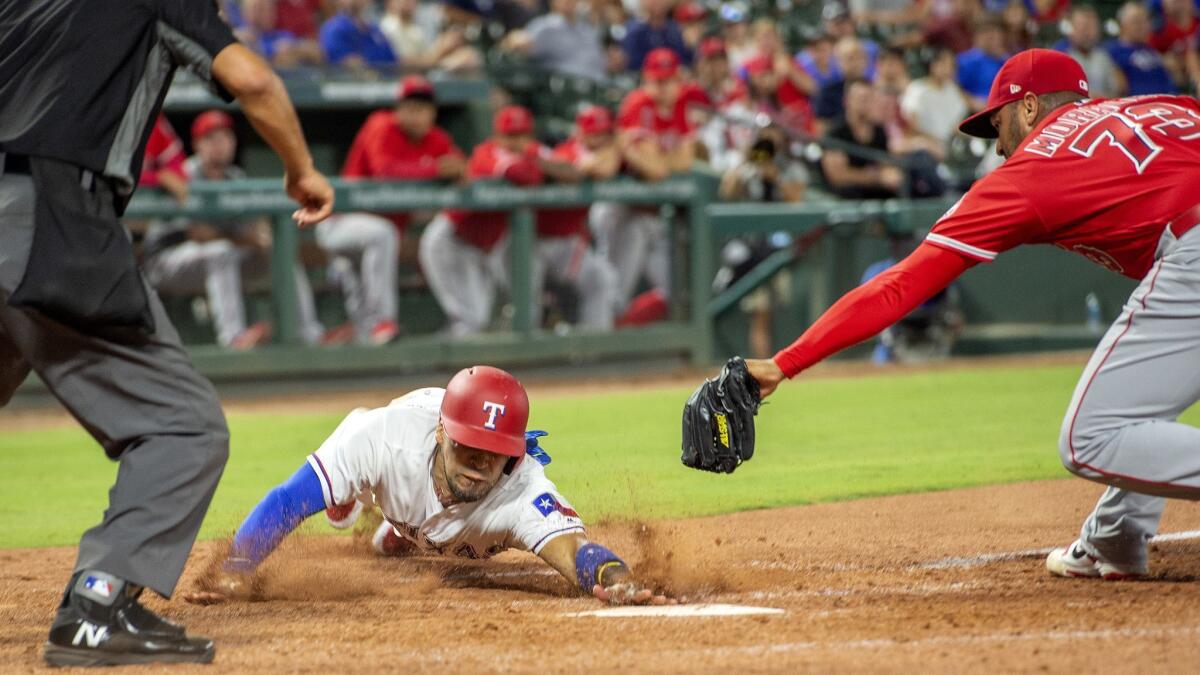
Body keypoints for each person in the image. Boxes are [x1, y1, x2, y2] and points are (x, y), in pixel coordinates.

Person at [738, 48, 1200, 584]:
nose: (1000, 147)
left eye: (999, 125)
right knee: (1135, 401)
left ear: (1028, 109)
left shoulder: (1032, 170)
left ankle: (1111, 542)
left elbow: (900, 285)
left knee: (1088, 439)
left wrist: (784, 362)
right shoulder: (1163, 104)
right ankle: (1113, 541)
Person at [0, 0, 333, 666]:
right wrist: (302, 169)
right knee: (185, 427)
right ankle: (98, 605)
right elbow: (255, 80)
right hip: (46, 216)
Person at [181, 366, 672, 606]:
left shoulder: (522, 489)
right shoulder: (381, 439)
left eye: (493, 452)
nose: (480, 464)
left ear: (514, 451)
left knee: (445, 540)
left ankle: (398, 535)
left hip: (443, 520)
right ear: (443, 434)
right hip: (389, 469)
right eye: (468, 448)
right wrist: (235, 568)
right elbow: (289, 499)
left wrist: (614, 580)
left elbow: (574, 550)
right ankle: (355, 501)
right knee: (344, 485)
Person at [143, 110, 327, 349]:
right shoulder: (185, 174)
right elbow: (197, 234)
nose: (221, 144)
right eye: (212, 138)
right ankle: (232, 338)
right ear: (197, 144)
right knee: (221, 251)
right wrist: (244, 238)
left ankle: (309, 332)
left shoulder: (236, 178)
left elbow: (254, 228)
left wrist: (261, 240)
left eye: (226, 137)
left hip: (218, 260)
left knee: (279, 254)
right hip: (166, 262)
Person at [321, 75, 463, 346]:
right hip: (341, 222)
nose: (416, 115)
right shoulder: (381, 124)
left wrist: (458, 169)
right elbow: (385, 171)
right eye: (410, 108)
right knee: (382, 234)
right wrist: (435, 169)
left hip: (379, 236)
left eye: (423, 109)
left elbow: (459, 167)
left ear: (433, 113)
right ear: (398, 109)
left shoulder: (437, 139)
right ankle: (381, 322)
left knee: (361, 301)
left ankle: (365, 340)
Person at [418, 105, 580, 336]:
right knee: (470, 321)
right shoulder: (487, 153)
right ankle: (434, 365)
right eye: (509, 136)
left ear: (530, 135)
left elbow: (573, 173)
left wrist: (537, 160)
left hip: (486, 245)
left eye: (521, 135)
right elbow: (523, 174)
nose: (515, 142)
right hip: (452, 240)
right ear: (496, 136)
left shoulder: (533, 151)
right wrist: (539, 164)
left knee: (480, 320)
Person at [597, 48, 708, 326]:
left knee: (677, 292)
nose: (664, 87)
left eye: (669, 80)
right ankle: (601, 356)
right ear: (646, 78)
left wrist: (660, 157)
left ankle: (624, 331)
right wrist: (662, 159)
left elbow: (683, 162)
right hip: (621, 212)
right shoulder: (637, 104)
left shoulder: (683, 104)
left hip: (656, 215)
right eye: (658, 80)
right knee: (612, 293)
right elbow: (656, 169)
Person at [536, 107, 623, 331]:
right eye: (593, 132)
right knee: (528, 303)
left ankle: (594, 350)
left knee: (602, 279)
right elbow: (603, 168)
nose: (599, 138)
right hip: (531, 240)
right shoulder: (568, 152)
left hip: (565, 240)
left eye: (604, 133)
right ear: (579, 132)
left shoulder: (603, 150)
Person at [820, 79, 904, 199]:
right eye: (860, 98)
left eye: (869, 98)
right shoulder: (835, 132)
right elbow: (837, 176)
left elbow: (886, 163)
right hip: (846, 197)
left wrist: (891, 174)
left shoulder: (879, 131)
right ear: (847, 101)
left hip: (878, 193)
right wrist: (876, 177)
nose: (865, 103)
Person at [510, 0, 607, 81]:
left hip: (599, 86)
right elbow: (517, 43)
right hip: (565, 90)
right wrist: (515, 40)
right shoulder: (545, 27)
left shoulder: (587, 29)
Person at [901, 48, 971, 149]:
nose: (949, 69)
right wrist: (931, 141)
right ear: (931, 65)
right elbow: (911, 124)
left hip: (952, 144)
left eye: (952, 65)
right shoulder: (916, 88)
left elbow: (957, 123)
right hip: (925, 146)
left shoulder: (952, 88)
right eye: (943, 64)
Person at [1054, 5, 1127, 99]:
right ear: (1071, 28)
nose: (1087, 33)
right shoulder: (1059, 54)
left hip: (1104, 108)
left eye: (1091, 27)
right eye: (1083, 27)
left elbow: (1120, 88)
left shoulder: (1104, 55)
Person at [1106, 2, 1176, 95]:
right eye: (1136, 22)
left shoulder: (1152, 49)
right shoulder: (1112, 51)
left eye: (1145, 21)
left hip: (1169, 99)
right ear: (1122, 25)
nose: (1143, 26)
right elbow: (1118, 88)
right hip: (1138, 103)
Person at [319, 0, 398, 68]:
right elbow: (340, 61)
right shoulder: (334, 27)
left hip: (384, 80)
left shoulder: (374, 29)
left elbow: (391, 59)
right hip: (347, 83)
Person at [621, 0, 692, 71]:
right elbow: (633, 63)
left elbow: (686, 60)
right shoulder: (633, 30)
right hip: (644, 76)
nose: (657, 2)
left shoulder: (677, 28)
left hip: (675, 74)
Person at [957, 20, 1009, 110]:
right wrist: (971, 101)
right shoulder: (966, 60)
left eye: (995, 34)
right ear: (977, 37)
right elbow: (955, 87)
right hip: (974, 111)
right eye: (987, 34)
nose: (991, 38)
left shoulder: (1006, 60)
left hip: (1002, 107)